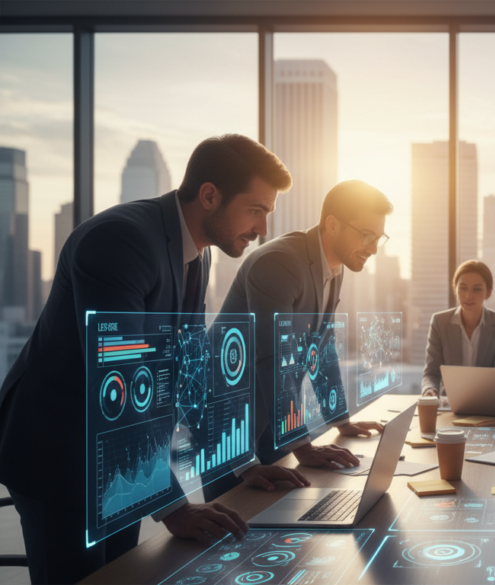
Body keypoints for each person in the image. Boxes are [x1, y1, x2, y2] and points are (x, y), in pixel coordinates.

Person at [0, 135, 306, 584]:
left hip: (120, 466)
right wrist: (175, 508)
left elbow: (188, 376)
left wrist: (236, 463)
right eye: (256, 210)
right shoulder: (120, 241)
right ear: (209, 195)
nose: (262, 228)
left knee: (121, 577)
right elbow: (120, 389)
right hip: (61, 454)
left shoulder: (194, 255)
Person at [213, 180, 393, 497]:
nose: (373, 247)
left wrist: (341, 420)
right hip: (229, 426)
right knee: (235, 530)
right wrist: (303, 446)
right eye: (366, 235)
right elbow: (272, 358)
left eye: (378, 238)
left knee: (284, 523)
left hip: (275, 418)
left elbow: (322, 349)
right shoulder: (280, 262)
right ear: (333, 224)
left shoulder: (334, 270)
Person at [421, 260, 495, 400]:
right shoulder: (440, 322)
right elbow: (431, 372)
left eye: (476, 289)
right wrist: (430, 390)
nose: (468, 295)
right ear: (455, 289)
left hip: (487, 405)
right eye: (463, 288)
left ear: (488, 292)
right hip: (450, 405)